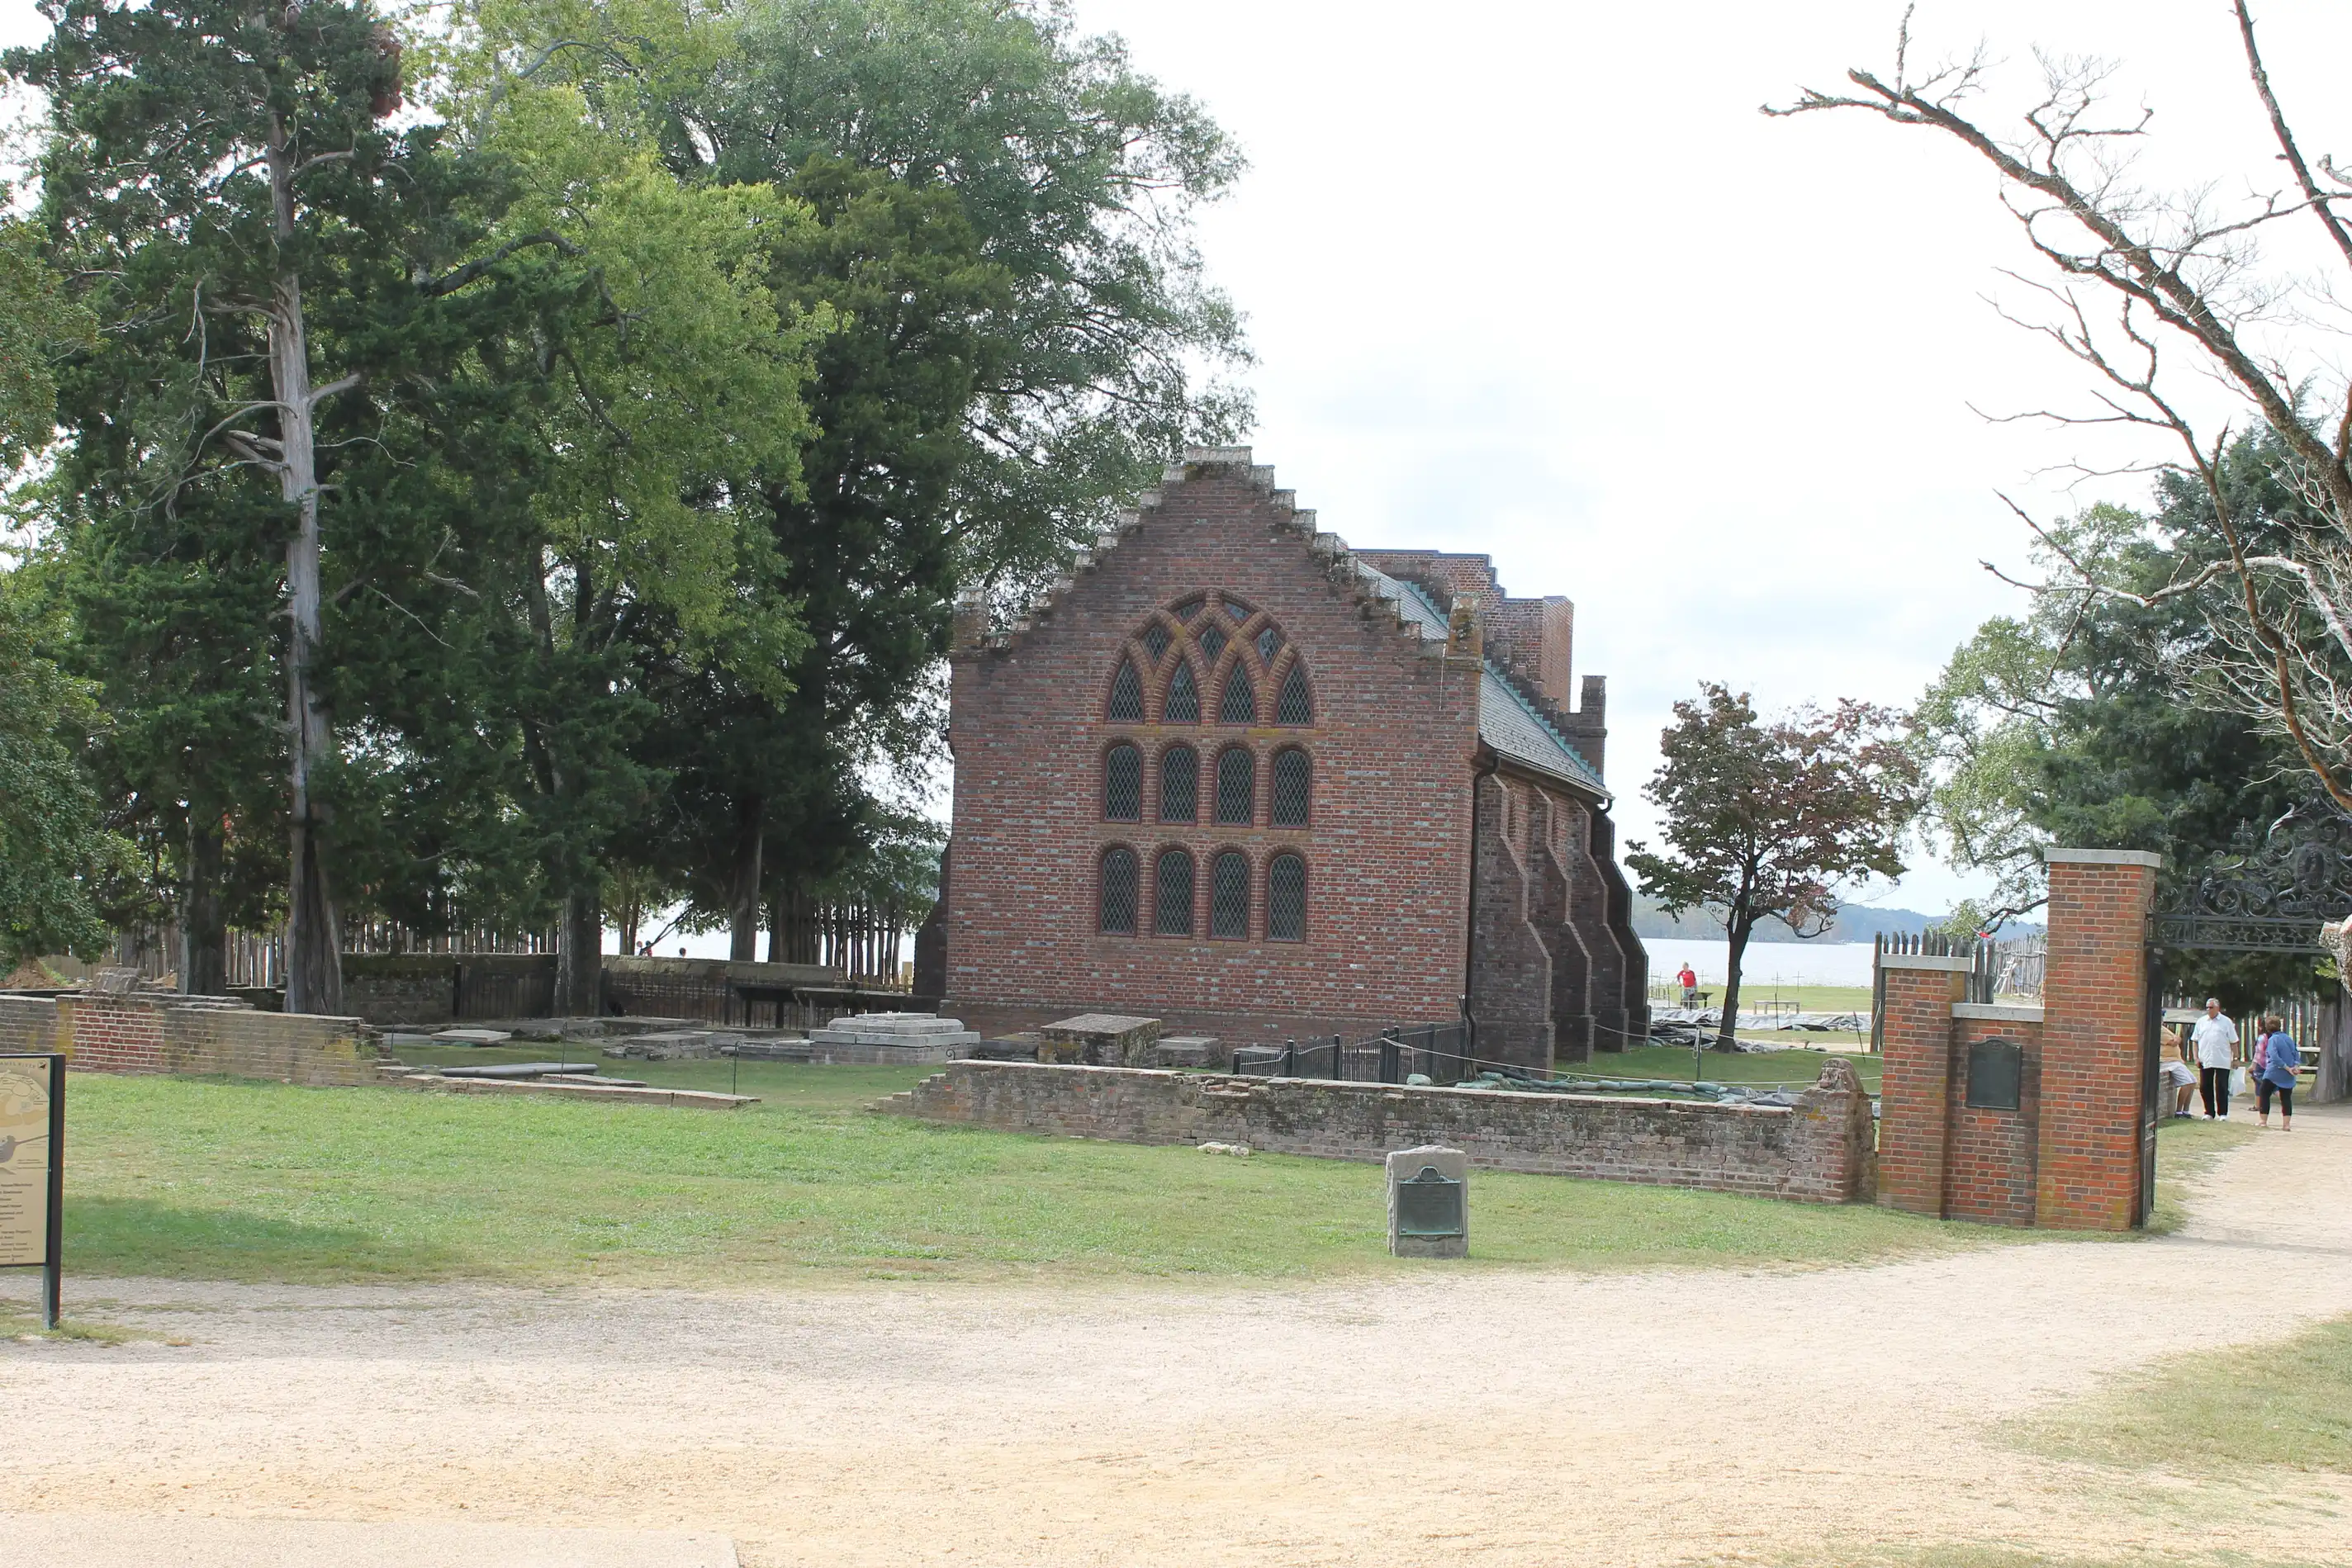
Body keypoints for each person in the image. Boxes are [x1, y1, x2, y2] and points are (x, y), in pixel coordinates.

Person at [2192, 997, 2241, 1120]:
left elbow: (2234, 1041)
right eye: (2207, 1007)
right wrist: (2196, 1057)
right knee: (2205, 1086)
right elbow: (2195, 1041)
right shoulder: (2201, 1022)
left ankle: (2223, 1113)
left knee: (2221, 1087)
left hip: (2222, 1059)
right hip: (2205, 1059)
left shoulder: (2226, 1022)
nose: (2209, 1010)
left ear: (2217, 1008)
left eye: (2211, 1007)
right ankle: (2209, 1112)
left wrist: (2236, 1058)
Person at [2255, 1013, 2300, 1131]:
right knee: (2286, 1098)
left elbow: (2274, 1057)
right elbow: (2296, 1053)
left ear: (2267, 1027)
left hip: (2274, 1072)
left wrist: (2285, 1067)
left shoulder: (2273, 1039)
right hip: (2288, 1074)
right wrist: (2294, 1067)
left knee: (2264, 1093)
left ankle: (2263, 1121)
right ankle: (2286, 1125)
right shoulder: (2288, 1038)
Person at [2160, 1025, 2198, 1118]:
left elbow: (2178, 1039)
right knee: (2186, 1083)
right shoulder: (2158, 1029)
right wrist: (2176, 1038)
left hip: (2176, 1061)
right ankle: (2178, 1111)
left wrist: (2177, 1038)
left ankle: (2186, 1111)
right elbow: (2174, 1042)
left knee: (2193, 1081)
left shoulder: (2164, 1029)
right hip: (2168, 1061)